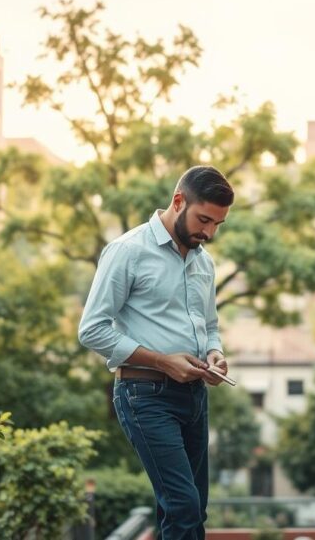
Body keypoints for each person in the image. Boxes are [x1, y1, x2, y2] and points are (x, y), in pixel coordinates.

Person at [78, 165, 234, 540]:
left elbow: (210, 326)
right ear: (178, 201)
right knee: (183, 506)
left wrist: (215, 354)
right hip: (144, 396)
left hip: (194, 396)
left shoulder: (203, 262)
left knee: (194, 508)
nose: (209, 233)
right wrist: (163, 360)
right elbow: (92, 329)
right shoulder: (127, 251)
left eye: (217, 225)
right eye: (204, 220)